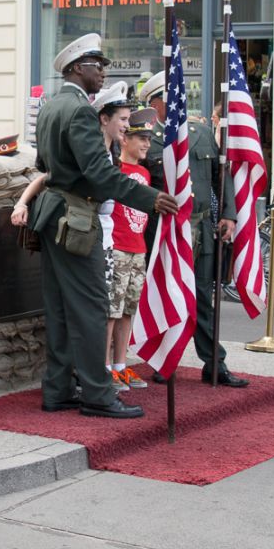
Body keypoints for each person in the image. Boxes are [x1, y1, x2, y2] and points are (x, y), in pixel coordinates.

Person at [30, 34, 176, 419]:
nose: (104, 73)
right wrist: (148, 197)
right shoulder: (78, 110)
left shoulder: (51, 106)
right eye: (98, 65)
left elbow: (44, 164)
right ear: (79, 68)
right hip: (75, 218)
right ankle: (97, 394)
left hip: (53, 213)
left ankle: (59, 389)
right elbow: (98, 172)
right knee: (93, 307)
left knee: (60, 308)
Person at [140, 70, 250, 386]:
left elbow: (221, 174)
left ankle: (214, 363)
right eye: (171, 98)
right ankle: (165, 361)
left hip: (201, 228)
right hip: (164, 232)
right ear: (156, 104)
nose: (180, 103)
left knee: (203, 297)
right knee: (166, 294)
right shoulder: (146, 138)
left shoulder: (200, 133)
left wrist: (228, 214)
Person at [108, 109, 154, 391]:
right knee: (111, 310)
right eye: (141, 138)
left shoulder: (144, 172)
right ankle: (104, 368)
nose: (147, 144)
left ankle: (121, 365)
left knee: (128, 310)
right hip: (118, 247)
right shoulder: (115, 170)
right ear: (124, 139)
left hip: (138, 248)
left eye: (149, 138)